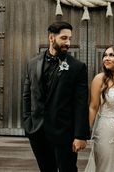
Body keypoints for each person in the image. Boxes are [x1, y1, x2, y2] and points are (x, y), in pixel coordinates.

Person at [22, 21, 90, 172]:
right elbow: (27, 95)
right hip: (37, 131)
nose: (68, 42)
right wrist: (28, 123)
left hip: (64, 133)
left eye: (70, 39)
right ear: (51, 38)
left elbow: (80, 104)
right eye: (64, 38)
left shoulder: (77, 67)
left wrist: (80, 135)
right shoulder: (32, 63)